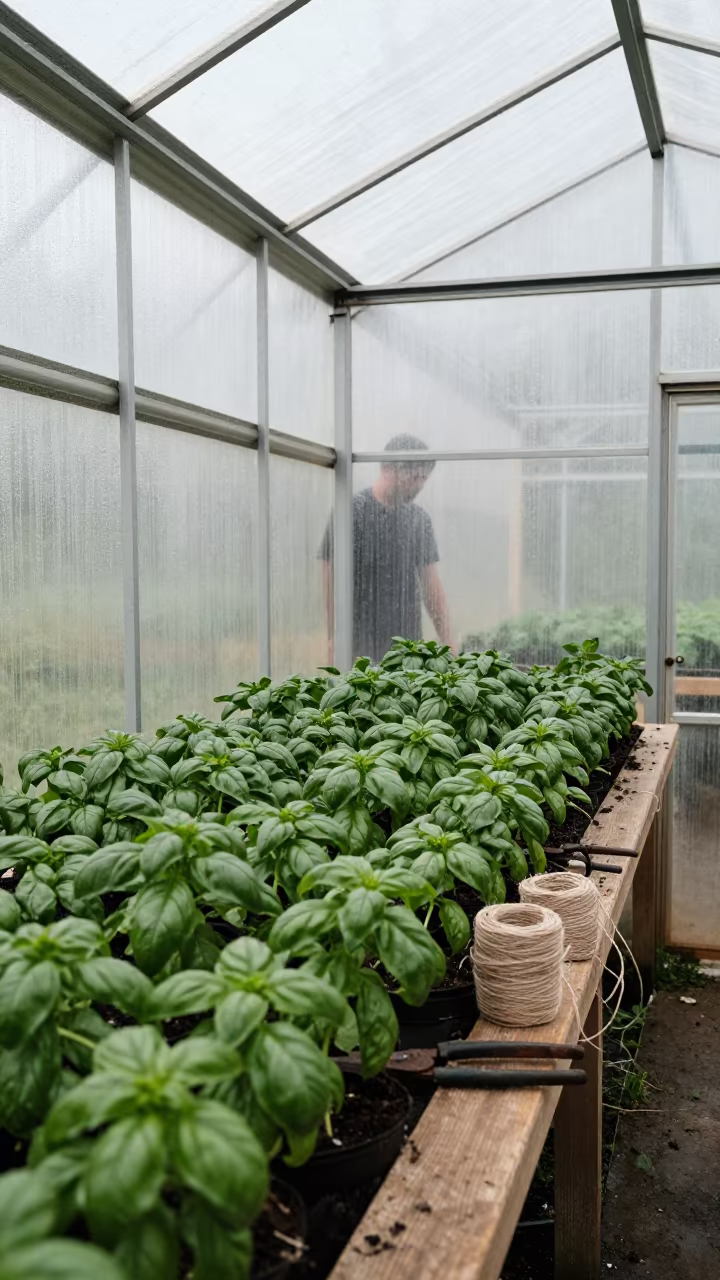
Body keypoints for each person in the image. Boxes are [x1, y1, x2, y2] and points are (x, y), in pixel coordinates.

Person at [320, 433, 453, 664]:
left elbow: (432, 586)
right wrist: (334, 638)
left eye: (424, 478)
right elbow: (330, 575)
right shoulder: (352, 512)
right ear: (390, 468)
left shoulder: (418, 520)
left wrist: (449, 643)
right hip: (359, 647)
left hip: (408, 650)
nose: (420, 485)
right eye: (415, 477)